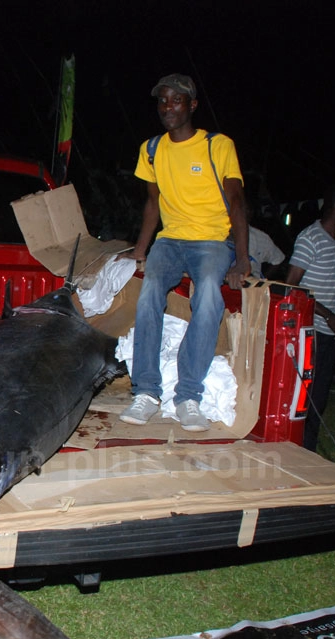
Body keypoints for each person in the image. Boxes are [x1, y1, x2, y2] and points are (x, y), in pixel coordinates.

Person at [119, 73, 250, 430]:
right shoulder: (152, 149)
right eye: (162, 100)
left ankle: (188, 395)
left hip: (211, 239)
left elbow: (237, 202)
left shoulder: (217, 145)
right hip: (170, 239)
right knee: (148, 297)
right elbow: (152, 204)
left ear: (192, 105)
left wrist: (242, 259)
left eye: (176, 100)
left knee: (208, 295)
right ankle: (145, 391)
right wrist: (140, 251)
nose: (168, 107)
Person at [284, 186, 335, 452]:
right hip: (311, 333)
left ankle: (307, 451)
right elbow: (292, 286)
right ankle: (300, 453)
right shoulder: (311, 238)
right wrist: (329, 317)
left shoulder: (333, 242)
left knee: (319, 399)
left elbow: (332, 288)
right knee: (307, 401)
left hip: (327, 333)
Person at [246, 204, 286, 279]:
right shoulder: (221, 233)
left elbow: (278, 259)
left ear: (251, 213)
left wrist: (262, 281)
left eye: (247, 209)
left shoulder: (259, 236)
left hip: (249, 288)